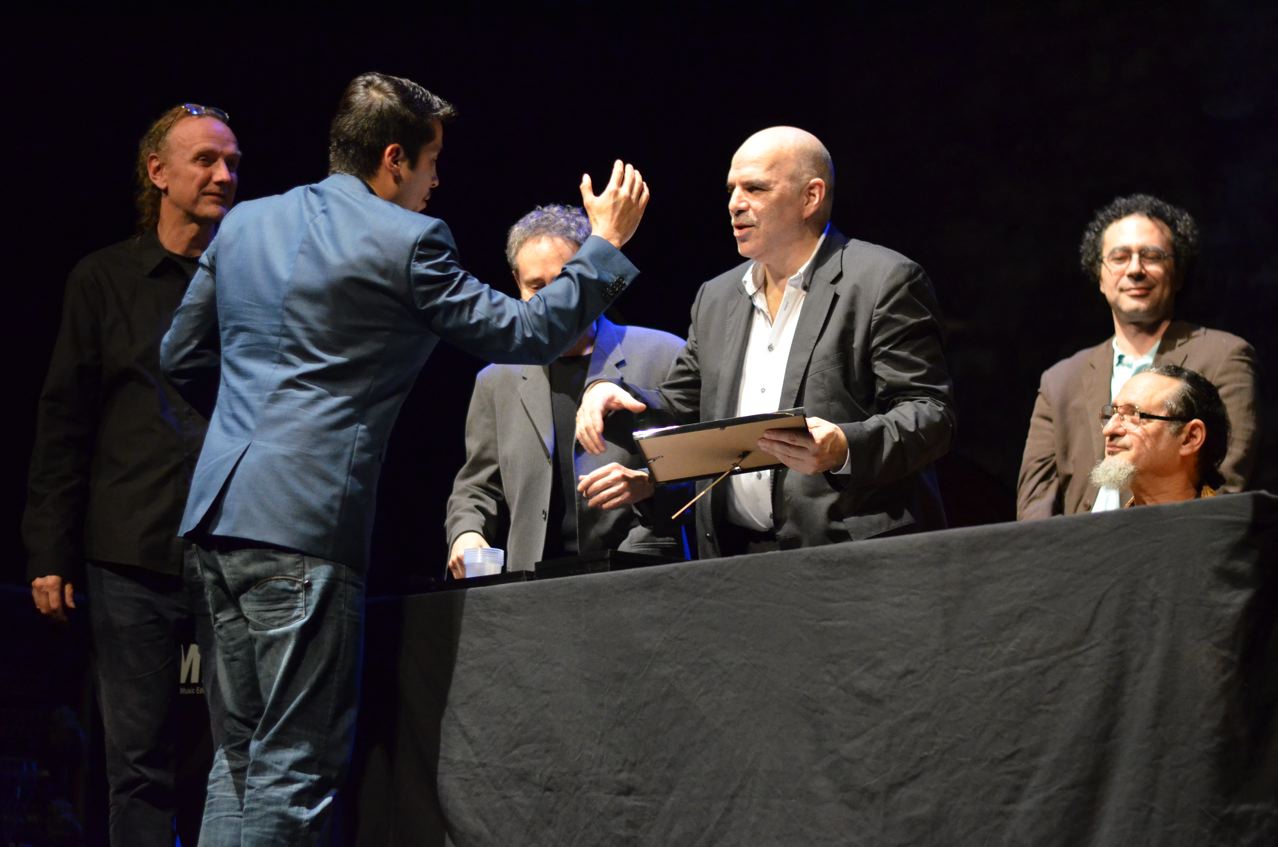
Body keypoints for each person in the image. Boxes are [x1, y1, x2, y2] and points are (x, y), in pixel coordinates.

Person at [159, 72, 648, 845]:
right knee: (292, 768)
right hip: (303, 528)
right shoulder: (409, 241)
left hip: (218, 514)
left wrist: (254, 422)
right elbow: (524, 334)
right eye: (431, 162)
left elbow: (180, 354)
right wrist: (606, 249)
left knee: (239, 758)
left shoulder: (246, 223)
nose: (436, 180)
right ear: (394, 159)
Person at [576, 126, 955, 556]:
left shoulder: (883, 280)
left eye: (754, 188)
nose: (735, 203)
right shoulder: (716, 298)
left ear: (810, 197)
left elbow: (931, 415)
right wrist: (610, 390)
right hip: (736, 557)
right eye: (731, 189)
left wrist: (844, 446)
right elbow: (682, 405)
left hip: (849, 553)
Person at [23, 103, 240, 846]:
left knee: (235, 752)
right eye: (206, 160)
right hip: (129, 551)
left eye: (232, 162)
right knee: (137, 761)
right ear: (159, 173)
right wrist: (48, 551)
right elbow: (65, 420)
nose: (223, 174)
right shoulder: (105, 279)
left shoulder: (249, 276)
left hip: (232, 543)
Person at [446, 205, 687, 576]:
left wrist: (651, 485)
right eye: (536, 287)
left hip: (640, 574)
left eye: (562, 283)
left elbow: (710, 473)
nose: (550, 302)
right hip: (533, 586)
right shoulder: (495, 381)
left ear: (588, 277)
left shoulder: (664, 354)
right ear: (516, 282)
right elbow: (477, 486)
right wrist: (466, 534)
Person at [1017, 193, 1258, 518]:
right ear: (1099, 277)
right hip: (1082, 558)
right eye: (1119, 257)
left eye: (1152, 256)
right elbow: (1036, 505)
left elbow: (1229, 486)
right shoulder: (1060, 380)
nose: (1135, 270)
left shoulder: (1224, 356)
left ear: (1178, 273)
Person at [1090, 365, 1228, 506]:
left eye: (1133, 414)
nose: (1108, 430)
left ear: (1190, 438)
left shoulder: (1231, 527)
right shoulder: (1105, 528)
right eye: (1112, 414)